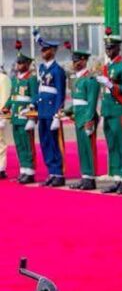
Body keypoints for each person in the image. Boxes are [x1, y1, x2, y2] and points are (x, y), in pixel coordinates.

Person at [96, 29, 122, 194]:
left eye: (111, 48)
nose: (109, 51)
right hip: (108, 111)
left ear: (118, 48)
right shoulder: (108, 66)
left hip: (120, 111)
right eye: (107, 48)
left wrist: (113, 85)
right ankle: (117, 178)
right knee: (112, 146)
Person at [33, 34, 67, 186]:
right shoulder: (41, 68)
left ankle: (58, 173)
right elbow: (40, 90)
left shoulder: (57, 70)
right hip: (42, 111)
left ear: (53, 51)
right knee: (45, 142)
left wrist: (57, 115)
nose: (43, 52)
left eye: (46, 50)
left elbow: (60, 93)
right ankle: (51, 172)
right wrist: (33, 104)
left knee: (54, 142)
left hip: (52, 111)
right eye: (42, 50)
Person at [66, 47, 101, 191]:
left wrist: (90, 120)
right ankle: (85, 176)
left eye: (78, 61)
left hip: (87, 118)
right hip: (78, 118)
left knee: (89, 149)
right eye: (74, 61)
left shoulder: (90, 79)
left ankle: (90, 178)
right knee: (82, 149)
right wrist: (66, 111)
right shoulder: (77, 79)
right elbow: (76, 101)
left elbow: (92, 102)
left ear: (84, 61)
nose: (75, 64)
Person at [7, 46, 37, 183]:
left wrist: (32, 116)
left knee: (27, 144)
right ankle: (23, 169)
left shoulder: (31, 79)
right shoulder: (15, 79)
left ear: (27, 64)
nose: (18, 65)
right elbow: (11, 96)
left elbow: (35, 97)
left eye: (21, 63)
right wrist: (5, 108)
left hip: (25, 115)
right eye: (17, 63)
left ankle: (30, 171)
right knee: (19, 144)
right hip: (15, 116)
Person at [0, 64, 10, 179]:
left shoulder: (3, 78)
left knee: (0, 142)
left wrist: (2, 116)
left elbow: (5, 97)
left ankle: (0, 168)